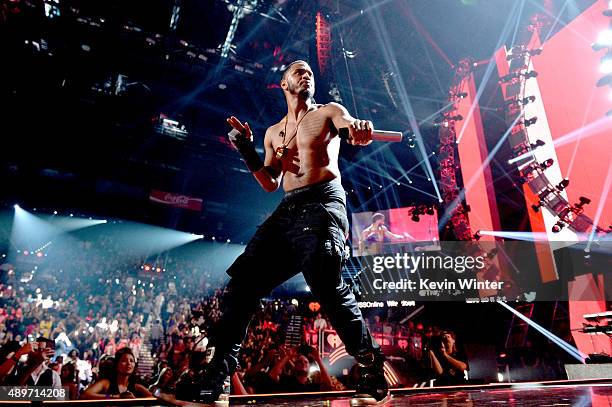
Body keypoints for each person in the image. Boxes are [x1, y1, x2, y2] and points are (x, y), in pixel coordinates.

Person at [176, 60, 390, 406]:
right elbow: (269, 182)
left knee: (325, 281)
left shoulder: (329, 113)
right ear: (284, 83)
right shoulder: (274, 132)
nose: (306, 74)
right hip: (289, 208)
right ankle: (217, 376)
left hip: (324, 202)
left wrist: (359, 130)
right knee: (243, 284)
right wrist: (245, 148)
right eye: (298, 71)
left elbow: (350, 129)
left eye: (310, 72)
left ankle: (369, 367)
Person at [80, 347, 152, 400]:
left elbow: (154, 398)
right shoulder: (106, 383)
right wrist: (113, 397)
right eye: (124, 360)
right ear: (117, 364)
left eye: (131, 361)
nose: (129, 363)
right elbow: (85, 395)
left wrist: (135, 400)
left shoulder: (137, 387)